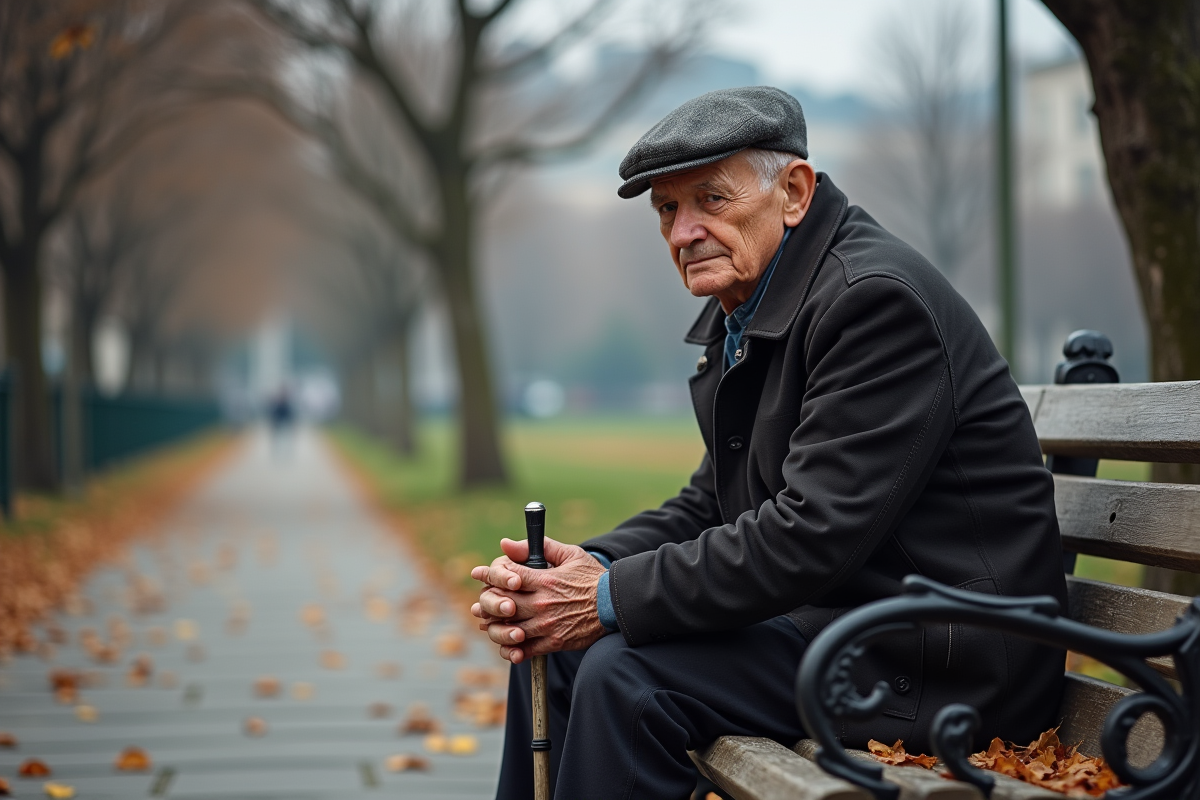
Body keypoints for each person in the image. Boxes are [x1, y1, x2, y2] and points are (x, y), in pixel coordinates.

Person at [471, 87, 1066, 800]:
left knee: (623, 675)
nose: (683, 231)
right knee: (561, 654)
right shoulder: (754, 309)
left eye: (710, 200)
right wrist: (578, 574)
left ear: (794, 191)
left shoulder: (872, 303)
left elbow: (811, 533)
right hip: (853, 625)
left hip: (947, 660)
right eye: (667, 209)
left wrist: (604, 599)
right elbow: (711, 503)